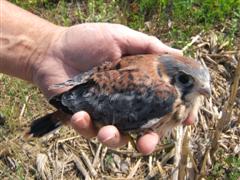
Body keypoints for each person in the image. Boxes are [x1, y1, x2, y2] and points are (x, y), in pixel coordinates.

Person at [0, 1, 182, 155]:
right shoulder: (164, 95)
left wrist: (48, 45)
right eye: (186, 80)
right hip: (79, 99)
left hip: (80, 94)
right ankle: (55, 119)